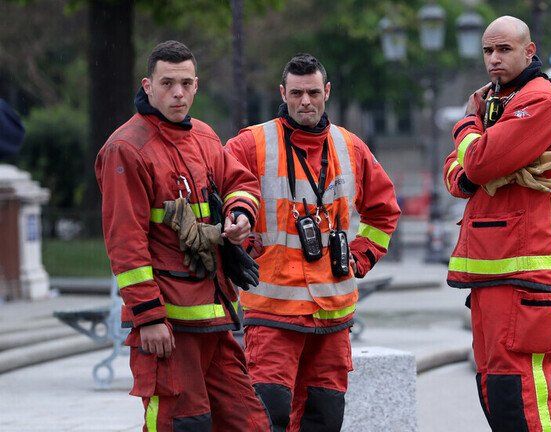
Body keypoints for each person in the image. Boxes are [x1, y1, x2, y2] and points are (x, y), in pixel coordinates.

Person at [95, 40, 270, 431]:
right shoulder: (126, 148)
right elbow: (125, 243)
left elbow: (241, 182)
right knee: (182, 424)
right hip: (169, 324)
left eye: (186, 83)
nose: (178, 92)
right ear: (148, 86)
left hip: (215, 318)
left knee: (249, 423)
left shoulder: (203, 136)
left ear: (196, 86)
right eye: (168, 83)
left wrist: (240, 214)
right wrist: (148, 317)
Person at [226, 53, 401, 432]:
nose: (305, 101)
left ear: (327, 92)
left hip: (332, 313)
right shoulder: (251, 144)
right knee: (269, 416)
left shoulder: (350, 147)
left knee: (325, 418)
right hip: (273, 312)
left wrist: (360, 258)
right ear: (282, 93)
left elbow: (384, 211)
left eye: (313, 92)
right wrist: (242, 241)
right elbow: (222, 192)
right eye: (296, 93)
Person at [442, 16, 551, 432]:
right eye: (488, 51)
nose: (494, 59)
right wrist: (478, 167)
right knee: (496, 389)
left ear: (529, 51)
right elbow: (457, 176)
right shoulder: (498, 102)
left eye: (504, 49)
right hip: (493, 268)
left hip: (523, 268)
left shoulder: (540, 100)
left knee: (520, 391)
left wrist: (467, 126)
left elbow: (476, 162)